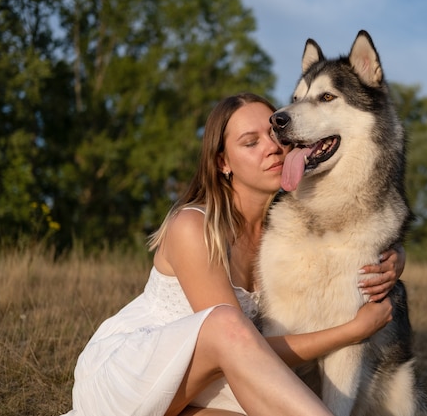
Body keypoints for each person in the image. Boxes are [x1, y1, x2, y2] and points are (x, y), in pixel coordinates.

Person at [62, 93, 406, 416]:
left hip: (207, 383)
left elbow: (352, 238)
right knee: (226, 322)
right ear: (223, 162)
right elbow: (238, 343)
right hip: (137, 373)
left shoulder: (285, 231)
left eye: (274, 133)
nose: (272, 148)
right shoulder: (193, 226)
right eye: (250, 142)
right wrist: (351, 331)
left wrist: (394, 257)